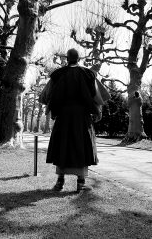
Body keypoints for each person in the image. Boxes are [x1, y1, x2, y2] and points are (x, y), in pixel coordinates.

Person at [39, 48, 109, 192]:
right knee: (81, 146)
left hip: (63, 117)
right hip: (82, 117)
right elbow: (98, 96)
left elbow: (46, 96)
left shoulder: (57, 74)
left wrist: (52, 110)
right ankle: (81, 183)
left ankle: (60, 182)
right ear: (79, 59)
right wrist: (97, 111)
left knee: (62, 146)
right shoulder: (89, 74)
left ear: (66, 58)